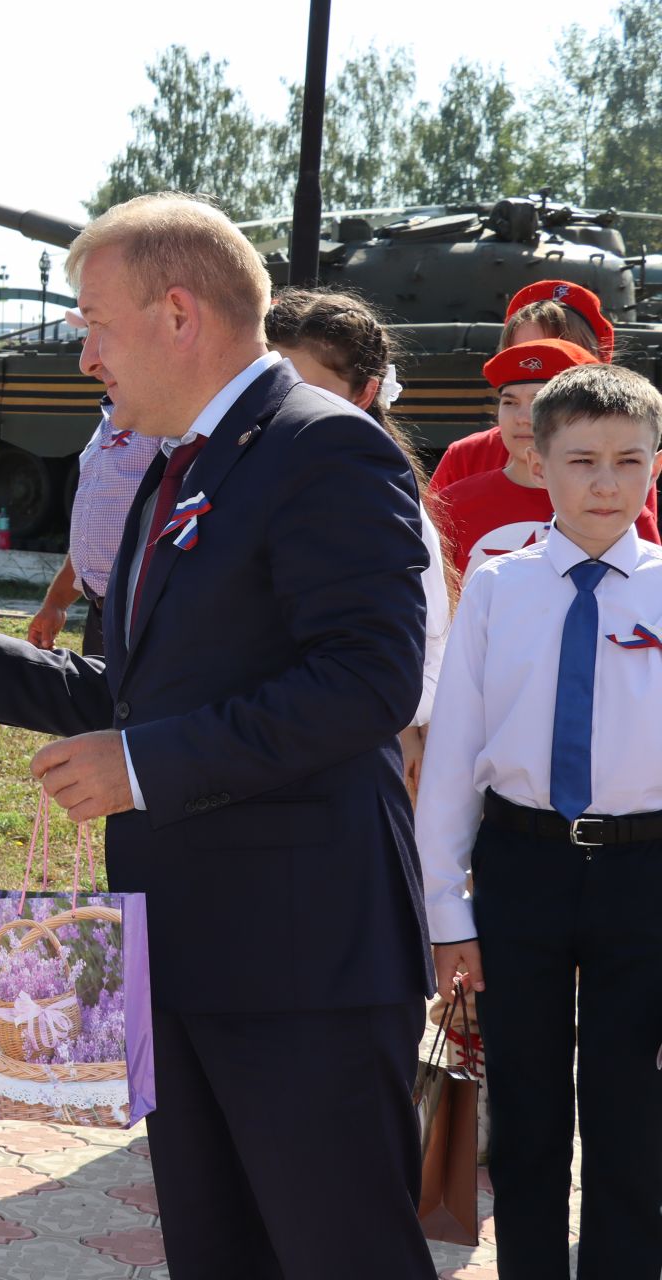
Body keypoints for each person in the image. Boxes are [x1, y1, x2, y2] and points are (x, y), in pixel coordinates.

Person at [0, 193, 437, 1278]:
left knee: (341, 1250)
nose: (83, 351)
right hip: (189, 937)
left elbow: (368, 680)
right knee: (217, 1246)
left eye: (93, 320)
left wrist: (142, 767)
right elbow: (152, 690)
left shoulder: (323, 447)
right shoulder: (176, 462)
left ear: (178, 314)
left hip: (302, 955)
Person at [418, 361, 662, 1278]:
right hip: (521, 864)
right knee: (523, 1113)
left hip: (646, 873)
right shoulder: (498, 587)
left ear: (655, 468)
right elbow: (453, 762)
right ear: (540, 460)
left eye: (629, 462)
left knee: (631, 1106)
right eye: (583, 460)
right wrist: (448, 916)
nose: (606, 483)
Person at [263, 287, 453, 797]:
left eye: (305, 389)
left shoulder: (375, 503)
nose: (281, 405)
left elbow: (424, 646)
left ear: (364, 394)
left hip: (345, 763)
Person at [438, 340, 660, 576]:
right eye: (510, 402)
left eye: (537, 401)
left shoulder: (615, 511)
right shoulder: (454, 504)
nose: (523, 418)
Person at [429, 279, 613, 493]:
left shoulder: (621, 459)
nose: (536, 367)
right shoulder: (467, 457)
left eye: (561, 355)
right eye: (522, 355)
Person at [29, 392, 160, 658]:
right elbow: (94, 532)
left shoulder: (164, 418)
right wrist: (56, 602)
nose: (87, 361)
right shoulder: (108, 416)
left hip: (143, 612)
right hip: (103, 610)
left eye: (96, 347)